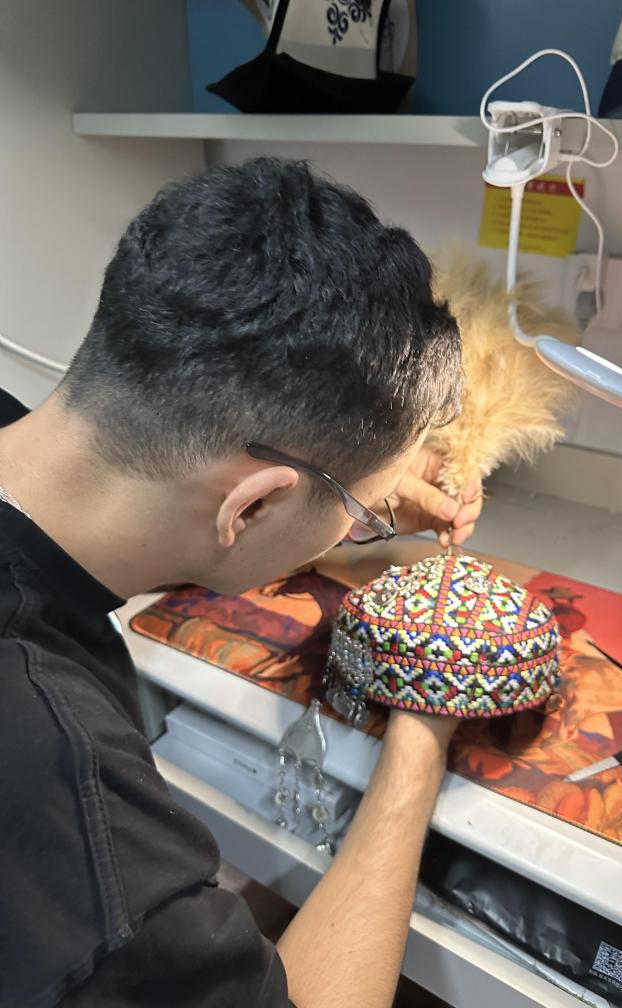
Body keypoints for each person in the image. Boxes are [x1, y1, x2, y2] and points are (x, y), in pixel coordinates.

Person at [0, 157, 482, 1007]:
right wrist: (419, 740)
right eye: (361, 514)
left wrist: (345, 496)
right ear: (251, 506)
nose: (364, 527)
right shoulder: (63, 782)